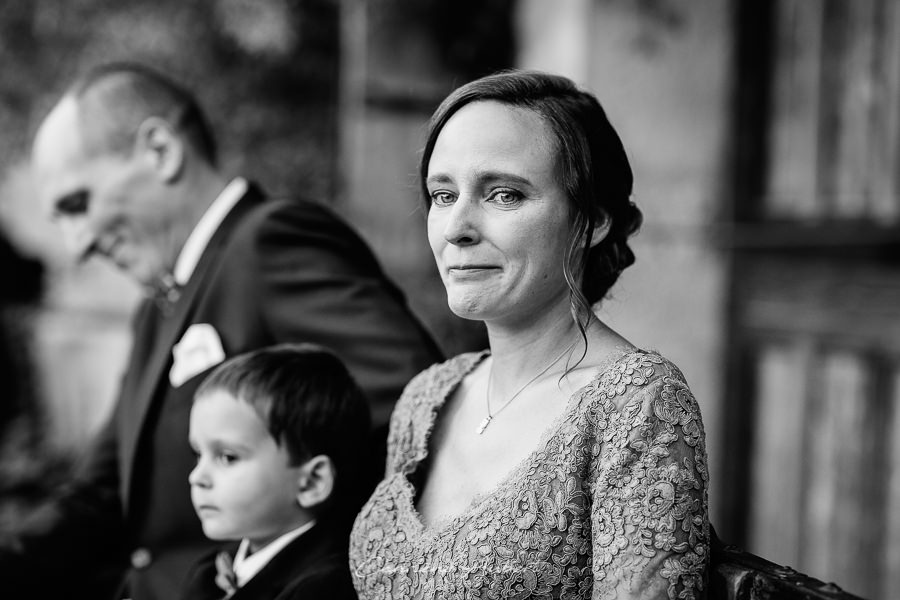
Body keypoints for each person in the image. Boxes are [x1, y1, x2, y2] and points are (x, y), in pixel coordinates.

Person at [0, 62, 441, 600]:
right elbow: (103, 493)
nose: (77, 245)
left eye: (78, 204)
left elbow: (414, 412)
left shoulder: (270, 243)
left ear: (161, 150)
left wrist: (286, 576)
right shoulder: (157, 307)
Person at [349, 70, 709, 599]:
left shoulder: (635, 404)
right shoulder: (427, 397)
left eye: (504, 195)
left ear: (593, 221)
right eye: (442, 195)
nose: (456, 228)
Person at [180, 344, 367, 600]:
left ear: (311, 483)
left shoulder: (323, 587)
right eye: (198, 455)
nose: (196, 477)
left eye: (227, 457)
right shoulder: (211, 570)